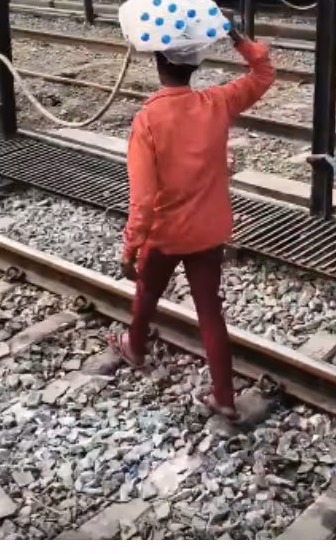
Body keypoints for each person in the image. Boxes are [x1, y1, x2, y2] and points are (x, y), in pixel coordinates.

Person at [112, 29, 275, 421]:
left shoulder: (147, 120)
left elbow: (144, 201)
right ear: (196, 64)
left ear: (157, 63)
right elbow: (263, 74)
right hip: (208, 231)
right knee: (209, 312)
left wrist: (130, 247)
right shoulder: (216, 102)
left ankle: (134, 347)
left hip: (165, 235)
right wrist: (238, 37)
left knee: (147, 291)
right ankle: (224, 397)